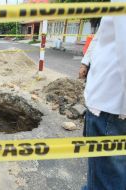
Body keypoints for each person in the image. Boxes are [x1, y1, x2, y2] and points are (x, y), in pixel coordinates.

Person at [79, 0, 126, 189]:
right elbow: (102, 34)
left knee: (106, 181)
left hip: (111, 108)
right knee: (105, 177)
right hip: (108, 106)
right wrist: (86, 61)